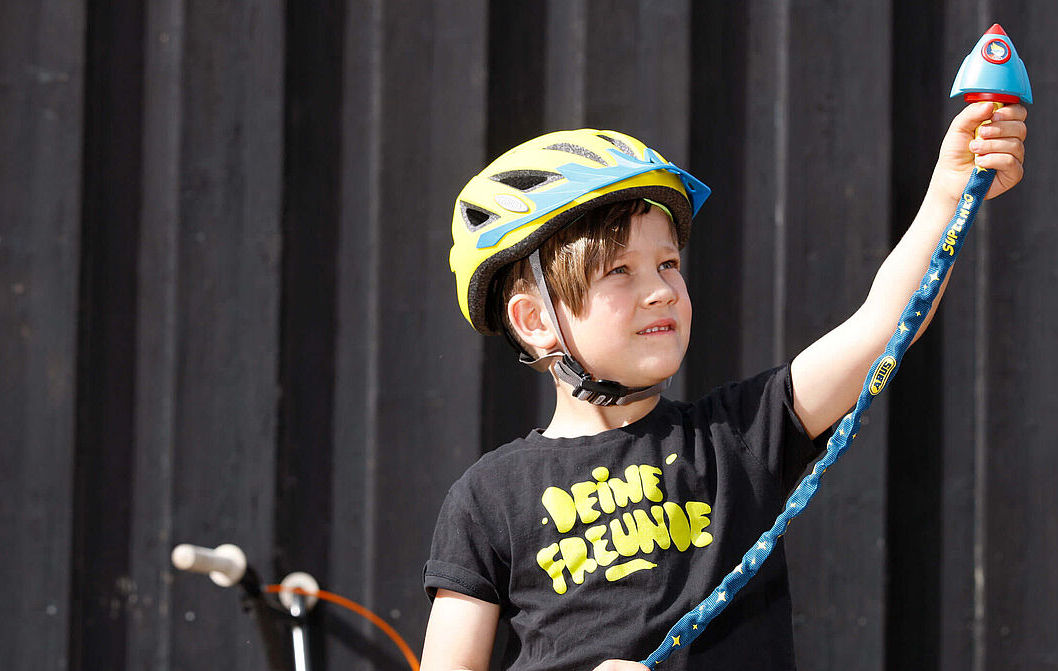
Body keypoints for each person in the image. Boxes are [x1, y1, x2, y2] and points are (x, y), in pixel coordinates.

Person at [422, 102, 1027, 671]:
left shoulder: (738, 434)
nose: (660, 289)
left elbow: (883, 323)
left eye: (668, 264)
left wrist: (952, 188)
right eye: (620, 271)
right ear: (534, 321)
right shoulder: (486, 498)